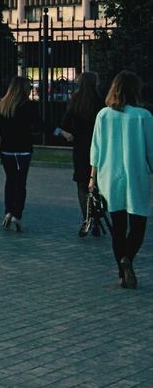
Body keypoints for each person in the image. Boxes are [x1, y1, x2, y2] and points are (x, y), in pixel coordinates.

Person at [89, 70, 153, 289]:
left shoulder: (103, 115)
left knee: (117, 225)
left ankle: (121, 272)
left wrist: (92, 178)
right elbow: (150, 150)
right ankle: (128, 258)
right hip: (136, 176)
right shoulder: (143, 116)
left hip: (110, 176)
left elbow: (95, 150)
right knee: (138, 222)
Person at [0, 75, 41, 231]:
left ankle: (8, 211)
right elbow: (40, 125)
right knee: (21, 183)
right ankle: (17, 214)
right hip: (24, 149)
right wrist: (59, 131)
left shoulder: (2, 105)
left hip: (6, 150)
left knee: (10, 180)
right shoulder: (30, 106)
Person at [58, 71, 103, 232]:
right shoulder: (100, 101)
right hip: (98, 146)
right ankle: (97, 218)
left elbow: (64, 124)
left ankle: (86, 218)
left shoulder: (75, 101)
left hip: (80, 147)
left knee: (81, 184)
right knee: (96, 183)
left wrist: (65, 134)